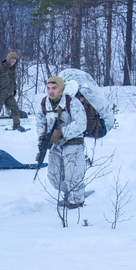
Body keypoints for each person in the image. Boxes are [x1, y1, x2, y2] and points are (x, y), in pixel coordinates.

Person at [35, 75, 87, 208]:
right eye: (48, 88)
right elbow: (40, 123)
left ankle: (76, 203)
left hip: (73, 143)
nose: (51, 91)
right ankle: (69, 194)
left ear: (61, 88)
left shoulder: (71, 102)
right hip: (55, 145)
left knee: (73, 176)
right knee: (54, 176)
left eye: (54, 88)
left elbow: (82, 123)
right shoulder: (44, 103)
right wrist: (42, 139)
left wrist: (62, 132)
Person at [0, 51, 26, 131]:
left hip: (9, 94)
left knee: (15, 109)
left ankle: (16, 125)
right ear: (8, 59)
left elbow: (13, 80)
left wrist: (15, 89)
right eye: (12, 59)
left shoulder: (13, 69)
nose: (13, 61)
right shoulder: (0, 68)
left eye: (15, 59)